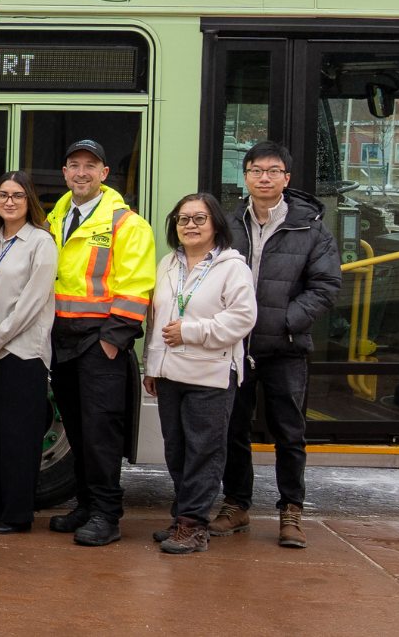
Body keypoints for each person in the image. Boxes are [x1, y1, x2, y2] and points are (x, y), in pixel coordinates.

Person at [215, 141, 340, 549]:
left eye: (273, 171)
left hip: (286, 348)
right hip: (235, 347)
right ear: (245, 176)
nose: (263, 178)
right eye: (255, 170)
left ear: (286, 178)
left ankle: (291, 510)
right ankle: (237, 505)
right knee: (234, 430)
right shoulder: (226, 224)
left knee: (289, 432)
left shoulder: (310, 227)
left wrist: (286, 322)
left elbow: (326, 286)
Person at [45, 140, 156, 546]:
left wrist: (113, 341)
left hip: (100, 342)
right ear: (64, 173)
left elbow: (137, 287)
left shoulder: (127, 224)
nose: (81, 173)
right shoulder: (56, 217)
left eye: (90, 166)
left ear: (104, 174)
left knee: (100, 432)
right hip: (62, 340)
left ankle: (108, 515)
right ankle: (87, 505)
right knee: (75, 429)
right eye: (74, 165)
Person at [145, 193, 257, 554]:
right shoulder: (168, 263)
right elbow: (157, 319)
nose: (190, 226)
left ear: (216, 225)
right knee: (177, 451)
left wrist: (191, 331)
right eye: (183, 219)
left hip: (210, 374)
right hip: (169, 374)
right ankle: (183, 517)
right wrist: (152, 365)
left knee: (203, 452)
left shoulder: (231, 266)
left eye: (199, 219)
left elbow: (242, 318)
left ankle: (194, 526)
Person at [0, 172, 59, 534]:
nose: (9, 201)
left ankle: (17, 515)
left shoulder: (41, 243)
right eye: (3, 195)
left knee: (19, 439)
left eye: (17, 196)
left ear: (29, 201)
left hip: (22, 354)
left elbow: (32, 303)